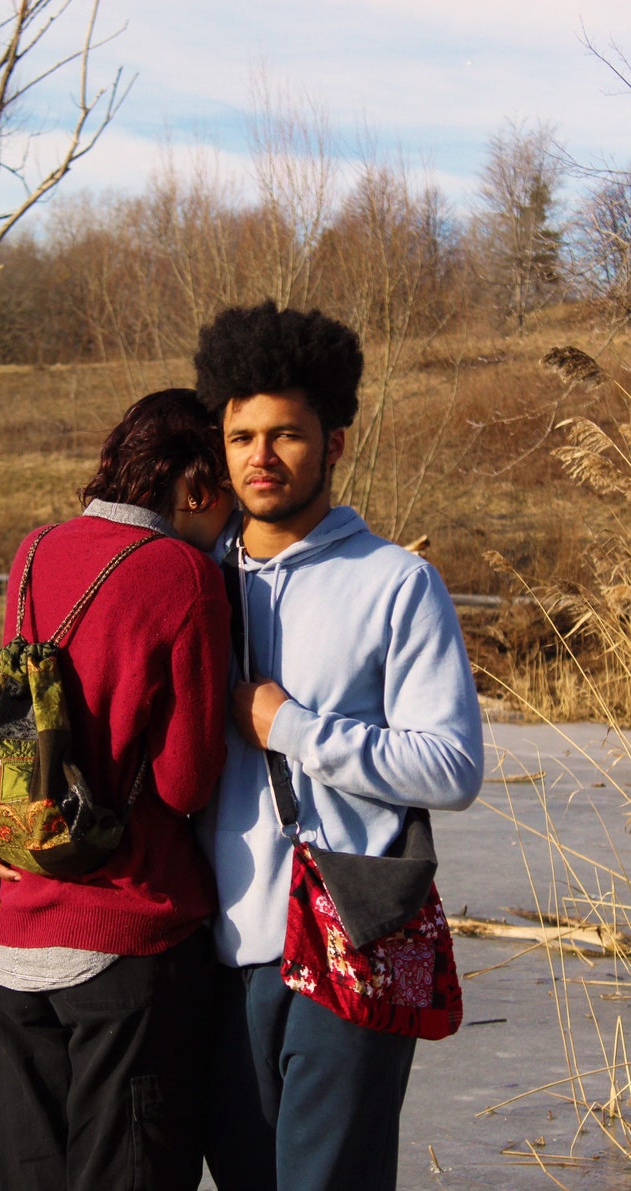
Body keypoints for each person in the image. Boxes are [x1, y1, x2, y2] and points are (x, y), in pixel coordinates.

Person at [192, 301, 484, 1191]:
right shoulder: (193, 578)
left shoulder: (397, 581)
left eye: (286, 434)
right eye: (242, 435)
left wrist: (291, 726)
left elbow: (451, 763)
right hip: (213, 952)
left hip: (345, 937)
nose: (261, 457)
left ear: (336, 442)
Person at [0, 389, 233, 1191]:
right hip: (127, 940)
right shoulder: (184, 575)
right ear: (196, 486)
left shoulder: (35, 548)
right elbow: (186, 781)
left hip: (15, 939)